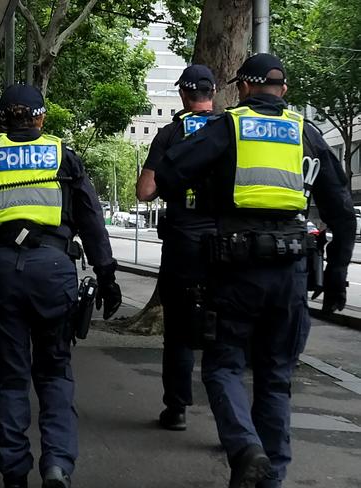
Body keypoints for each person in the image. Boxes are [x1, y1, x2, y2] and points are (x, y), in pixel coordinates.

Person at [154, 53, 356, 488]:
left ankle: (245, 448)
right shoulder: (307, 132)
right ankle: (271, 479)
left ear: (243, 88)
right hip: (291, 270)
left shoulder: (228, 127)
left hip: (235, 269)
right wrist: (337, 273)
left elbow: (167, 175)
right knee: (276, 377)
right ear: (283, 91)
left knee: (223, 366)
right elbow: (342, 213)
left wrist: (207, 189)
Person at [0, 84, 122, 488]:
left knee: (10, 377)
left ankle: (14, 472)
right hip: (54, 271)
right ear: (40, 119)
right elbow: (92, 221)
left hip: (1, 272)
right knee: (55, 373)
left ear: (2, 120)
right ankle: (57, 465)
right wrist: (106, 276)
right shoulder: (63, 157)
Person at [136, 64, 217, 431]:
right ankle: (228, 416)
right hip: (225, 244)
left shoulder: (170, 134)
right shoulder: (228, 130)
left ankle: (177, 408)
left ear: (183, 95)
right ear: (212, 93)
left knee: (180, 329)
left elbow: (145, 191)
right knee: (224, 329)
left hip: (184, 241)